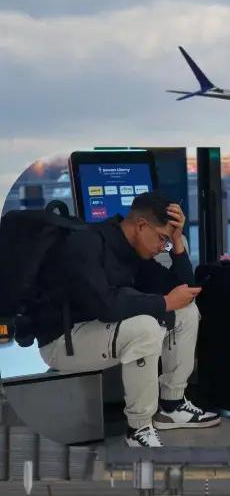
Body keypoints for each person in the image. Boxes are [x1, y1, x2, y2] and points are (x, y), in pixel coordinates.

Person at [34, 191, 219, 447]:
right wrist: (164, 302)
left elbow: (184, 291)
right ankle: (139, 428)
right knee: (145, 327)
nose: (160, 248)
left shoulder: (134, 250)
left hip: (98, 330)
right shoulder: (87, 242)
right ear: (141, 225)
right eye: (162, 239)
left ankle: (172, 404)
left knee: (185, 311)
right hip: (63, 341)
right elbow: (105, 305)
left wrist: (177, 242)